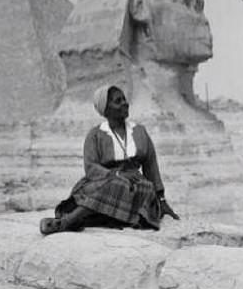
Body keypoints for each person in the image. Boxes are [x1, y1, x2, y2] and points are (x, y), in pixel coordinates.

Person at [40, 84, 179, 234]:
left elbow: (151, 166)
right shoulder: (95, 135)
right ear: (105, 110)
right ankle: (69, 221)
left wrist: (162, 201)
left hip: (136, 186)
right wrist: (116, 174)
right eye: (118, 101)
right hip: (103, 180)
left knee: (137, 188)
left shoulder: (140, 131)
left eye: (124, 99)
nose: (125, 103)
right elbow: (91, 167)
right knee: (112, 185)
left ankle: (67, 222)